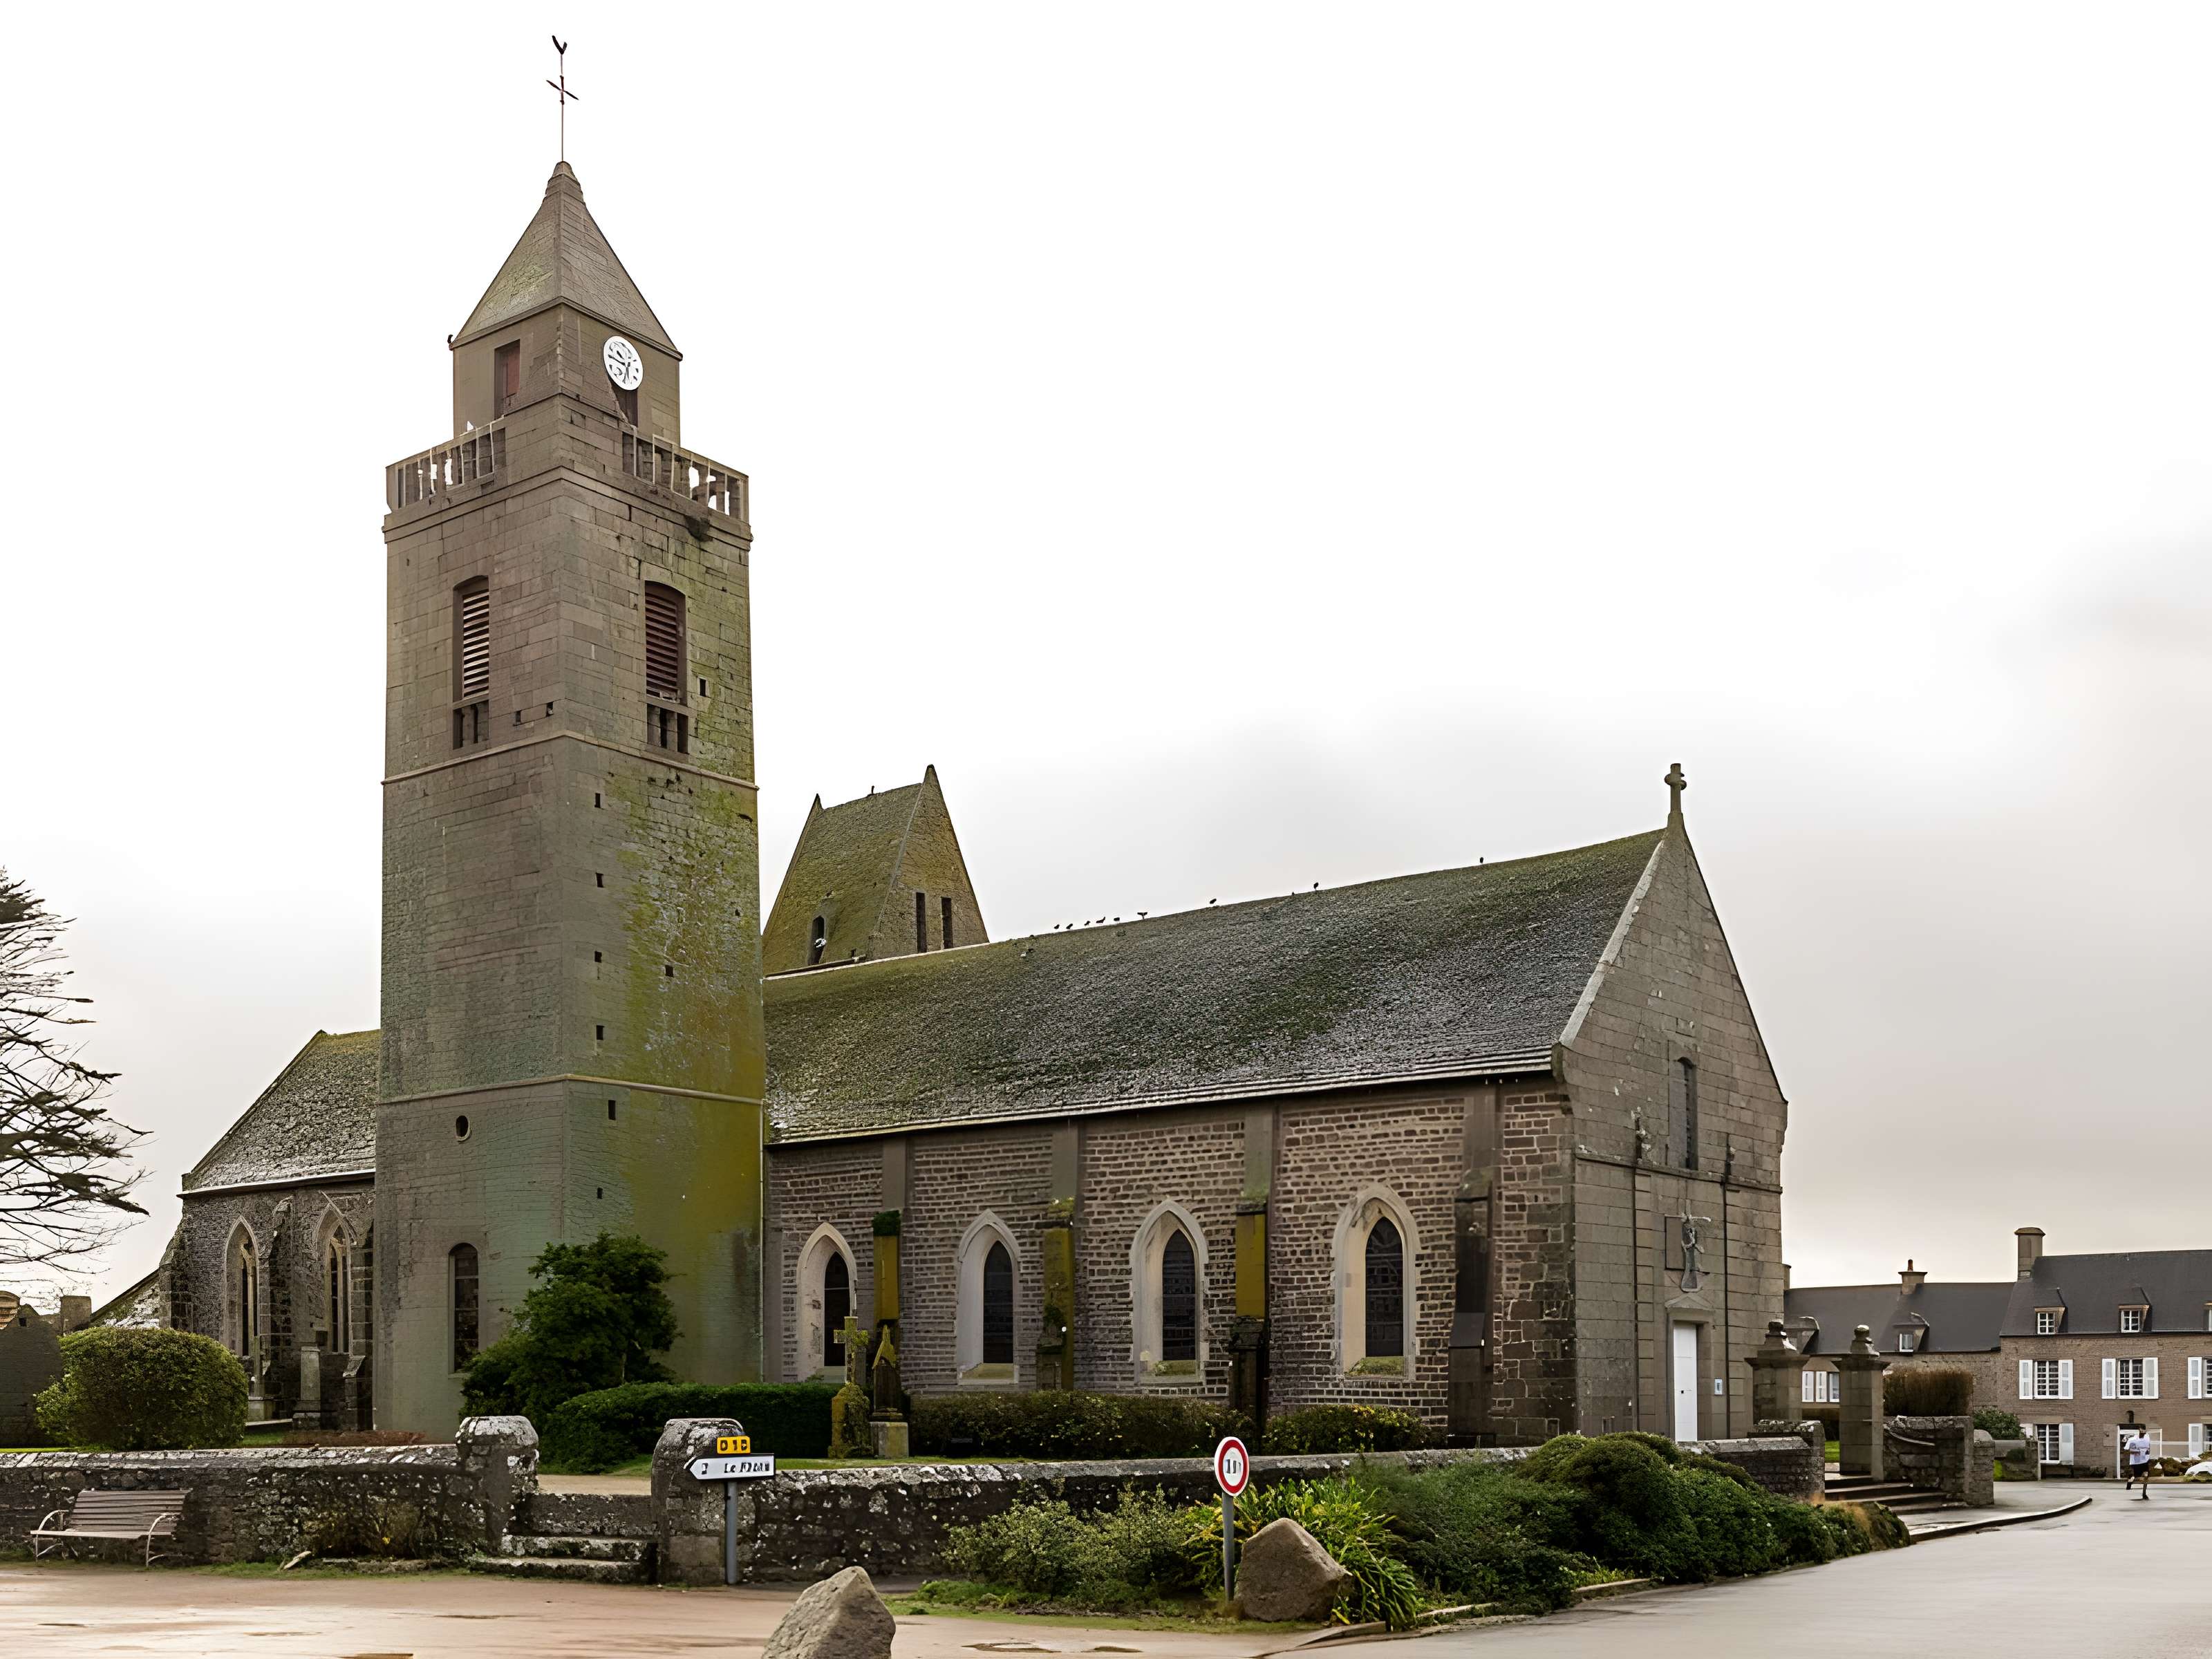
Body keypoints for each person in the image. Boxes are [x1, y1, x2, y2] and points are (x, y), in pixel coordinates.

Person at [2121, 1429, 2154, 1498]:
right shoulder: (2134, 1440)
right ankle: (2143, 1493)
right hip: (2139, 1461)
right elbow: (2128, 1449)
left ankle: (2131, 1481)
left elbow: (2127, 1449)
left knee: (2142, 1475)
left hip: (2138, 1462)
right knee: (2144, 1475)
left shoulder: (2133, 1440)